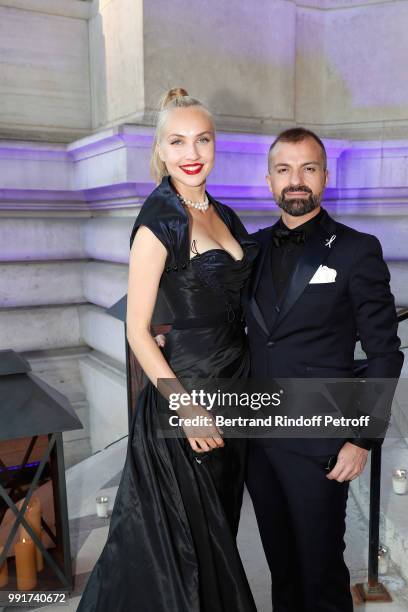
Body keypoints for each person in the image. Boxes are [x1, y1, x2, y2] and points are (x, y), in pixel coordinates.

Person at [76, 88, 258, 612]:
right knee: (185, 554)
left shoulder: (221, 212)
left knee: (218, 532)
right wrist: (186, 407)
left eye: (201, 138)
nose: (191, 151)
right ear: (160, 151)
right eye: (177, 141)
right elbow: (137, 330)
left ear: (215, 144)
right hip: (189, 406)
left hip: (234, 396)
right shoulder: (159, 220)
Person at [244, 127, 404, 611]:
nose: (296, 180)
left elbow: (384, 352)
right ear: (269, 180)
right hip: (256, 438)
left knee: (320, 570)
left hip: (320, 439)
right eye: (284, 169)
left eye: (308, 168)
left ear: (325, 178)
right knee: (282, 566)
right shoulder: (248, 251)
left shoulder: (356, 250)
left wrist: (362, 439)